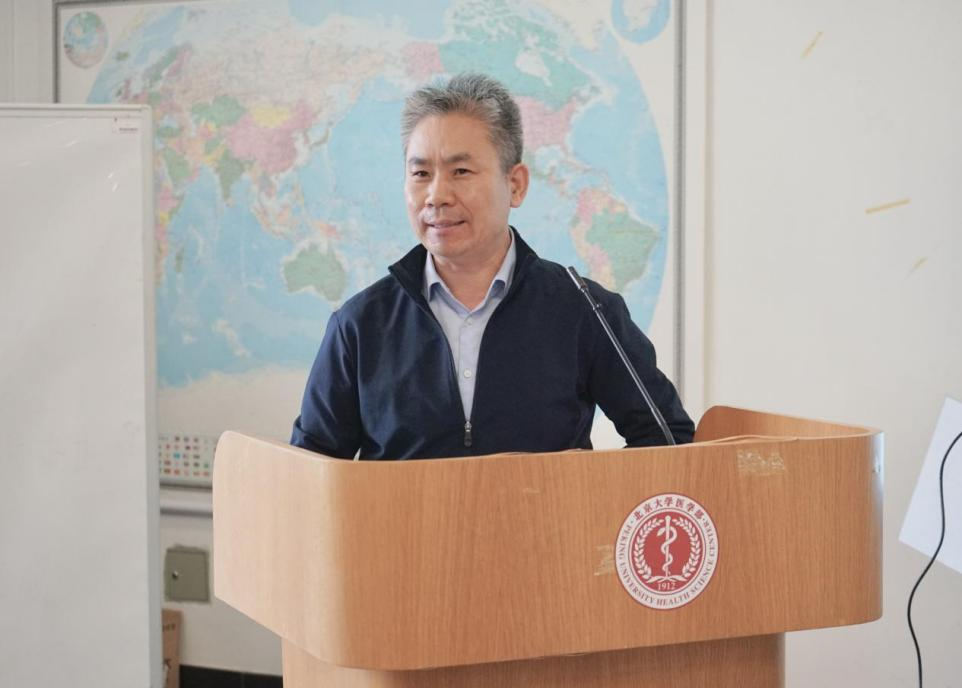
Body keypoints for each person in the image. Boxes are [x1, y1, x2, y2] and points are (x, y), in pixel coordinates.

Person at [291, 73, 694, 460]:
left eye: (461, 171)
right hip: (403, 514)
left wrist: (584, 499)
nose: (436, 195)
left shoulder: (585, 310)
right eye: (421, 173)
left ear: (515, 184)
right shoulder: (359, 324)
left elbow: (667, 442)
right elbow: (308, 471)